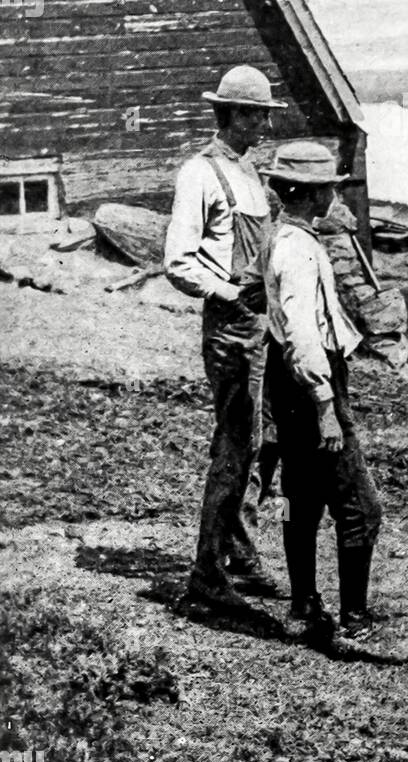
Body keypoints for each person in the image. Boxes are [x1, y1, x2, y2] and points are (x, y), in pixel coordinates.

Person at [258, 140, 390, 653]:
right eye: (330, 190)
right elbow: (301, 332)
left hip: (289, 381)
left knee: (301, 497)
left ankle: (304, 604)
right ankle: (354, 622)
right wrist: (326, 406)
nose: (336, 199)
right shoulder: (295, 248)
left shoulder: (286, 237)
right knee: (360, 506)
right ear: (311, 195)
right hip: (312, 381)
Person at [164, 65, 285, 608]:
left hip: (264, 323)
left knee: (270, 439)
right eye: (257, 113)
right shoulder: (200, 173)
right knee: (237, 444)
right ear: (232, 115)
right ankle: (207, 574)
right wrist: (229, 293)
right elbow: (178, 262)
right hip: (232, 325)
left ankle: (240, 552)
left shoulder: (250, 173)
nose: (263, 121)